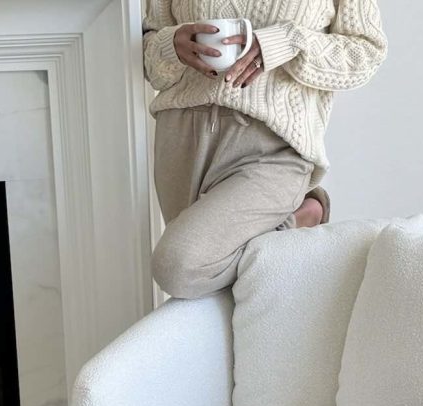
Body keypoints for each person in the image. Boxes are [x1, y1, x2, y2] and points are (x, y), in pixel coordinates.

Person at [143, 0, 387, 299]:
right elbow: (148, 52)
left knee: (178, 267)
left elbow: (365, 54)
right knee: (214, 293)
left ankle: (294, 218)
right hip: (180, 137)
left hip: (271, 146)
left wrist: (288, 41)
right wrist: (171, 45)